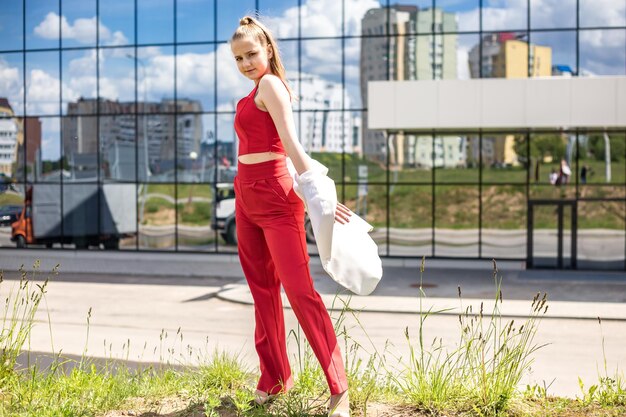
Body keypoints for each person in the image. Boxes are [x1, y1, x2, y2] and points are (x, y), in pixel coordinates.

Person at [230, 16, 351, 417]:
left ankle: (338, 388)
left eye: (251, 54)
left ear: (267, 50)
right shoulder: (250, 94)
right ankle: (275, 378)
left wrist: (319, 193)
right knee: (262, 292)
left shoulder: (270, 85)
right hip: (245, 196)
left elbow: (291, 144)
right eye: (238, 58)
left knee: (299, 291)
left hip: (277, 196)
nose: (246, 63)